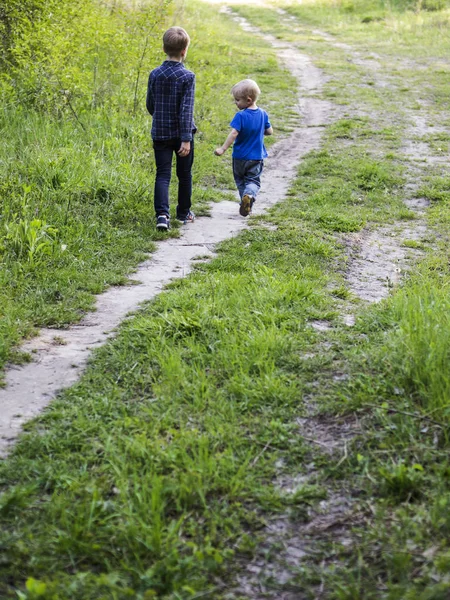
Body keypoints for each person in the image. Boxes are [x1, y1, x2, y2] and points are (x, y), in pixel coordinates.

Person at [146, 26, 196, 231]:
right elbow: (186, 110)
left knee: (163, 174)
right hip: (182, 135)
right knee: (184, 175)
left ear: (163, 48)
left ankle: (162, 215)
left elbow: (150, 104)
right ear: (184, 51)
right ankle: (183, 213)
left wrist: (159, 118)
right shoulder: (188, 76)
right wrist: (186, 138)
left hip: (160, 133)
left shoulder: (154, 74)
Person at [215, 79, 273, 217]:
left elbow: (234, 133)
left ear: (248, 100)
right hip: (256, 157)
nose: (236, 103)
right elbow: (270, 131)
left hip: (239, 157)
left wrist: (223, 149)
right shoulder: (263, 114)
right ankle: (249, 196)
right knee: (253, 181)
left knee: (240, 181)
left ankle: (245, 202)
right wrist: (259, 130)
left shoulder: (240, 115)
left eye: (237, 100)